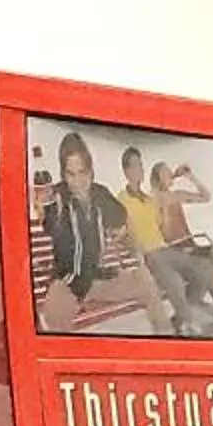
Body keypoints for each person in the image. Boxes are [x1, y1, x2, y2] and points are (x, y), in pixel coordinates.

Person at [36, 131, 170, 334]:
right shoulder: (57, 196)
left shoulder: (100, 193)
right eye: (70, 174)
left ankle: (166, 343)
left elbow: (121, 220)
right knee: (49, 324)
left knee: (145, 280)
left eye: (82, 173)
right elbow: (52, 225)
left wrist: (124, 235)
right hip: (68, 282)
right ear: (63, 174)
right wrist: (43, 210)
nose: (77, 181)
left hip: (99, 278)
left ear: (90, 171)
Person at [148, 158, 213, 335]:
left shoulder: (176, 195)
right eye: (165, 172)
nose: (170, 174)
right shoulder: (153, 200)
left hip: (190, 244)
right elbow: (163, 232)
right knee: (208, 265)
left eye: (170, 171)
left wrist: (190, 177)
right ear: (156, 178)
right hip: (175, 250)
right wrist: (163, 202)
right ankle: (192, 313)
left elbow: (206, 197)